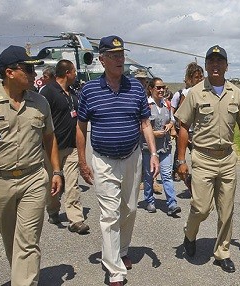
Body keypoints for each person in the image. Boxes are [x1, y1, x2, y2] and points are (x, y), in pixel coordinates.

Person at [0, 45, 62, 286]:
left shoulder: (40, 103)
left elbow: (49, 138)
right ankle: (22, 276)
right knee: (11, 241)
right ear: (9, 72)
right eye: (27, 69)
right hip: (0, 181)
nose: (33, 74)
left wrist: (56, 171)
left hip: (34, 179)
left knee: (27, 241)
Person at [76, 35, 159, 286]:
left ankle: (121, 251)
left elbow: (145, 123)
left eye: (121, 54)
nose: (120, 59)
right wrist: (82, 160)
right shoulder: (89, 90)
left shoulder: (135, 87)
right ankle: (115, 270)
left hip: (133, 156)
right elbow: (80, 128)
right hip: (103, 160)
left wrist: (153, 153)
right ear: (102, 60)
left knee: (130, 209)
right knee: (109, 214)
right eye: (113, 55)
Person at [175, 45, 240, 273]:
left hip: (228, 159)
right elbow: (183, 127)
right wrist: (181, 160)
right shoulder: (195, 93)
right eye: (211, 61)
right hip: (202, 157)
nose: (215, 65)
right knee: (201, 208)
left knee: (226, 209)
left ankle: (222, 252)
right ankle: (189, 235)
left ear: (226, 66)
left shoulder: (235, 93)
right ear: (206, 65)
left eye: (219, 61)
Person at [40, 59, 90, 234]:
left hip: (71, 148)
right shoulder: (48, 92)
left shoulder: (73, 94)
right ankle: (53, 210)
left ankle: (75, 219)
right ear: (67, 73)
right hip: (51, 149)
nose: (76, 75)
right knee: (53, 184)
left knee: (72, 183)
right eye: (74, 72)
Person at [142, 77, 181, 216]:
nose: (161, 90)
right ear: (151, 89)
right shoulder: (146, 105)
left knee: (166, 175)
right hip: (148, 148)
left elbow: (172, 119)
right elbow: (139, 126)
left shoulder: (167, 105)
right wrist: (152, 133)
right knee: (148, 176)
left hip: (164, 147)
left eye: (163, 87)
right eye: (158, 87)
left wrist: (170, 125)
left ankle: (172, 204)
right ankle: (149, 200)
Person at [170, 62, 204, 182]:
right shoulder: (185, 94)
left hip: (200, 131)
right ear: (190, 79)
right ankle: (177, 171)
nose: (200, 80)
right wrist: (175, 127)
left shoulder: (206, 92)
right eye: (196, 77)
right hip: (187, 131)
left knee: (199, 157)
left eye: (201, 77)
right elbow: (179, 114)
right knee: (181, 153)